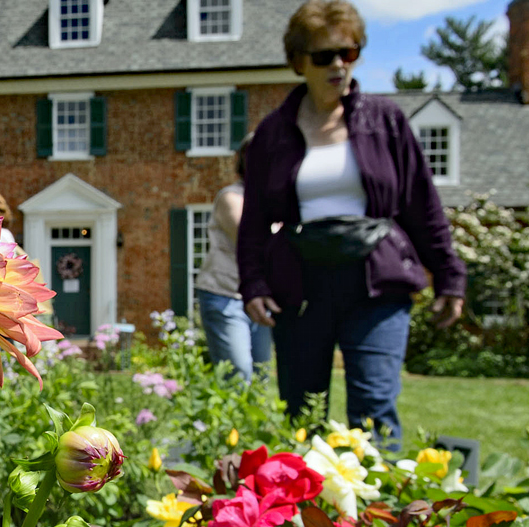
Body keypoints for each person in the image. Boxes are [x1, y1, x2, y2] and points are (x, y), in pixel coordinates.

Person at [236, 0, 466, 450]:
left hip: (377, 283)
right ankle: (305, 518)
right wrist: (254, 284)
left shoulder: (387, 121)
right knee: (301, 413)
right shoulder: (272, 134)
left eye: (349, 52)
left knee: (374, 409)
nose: (339, 65)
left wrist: (450, 277)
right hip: (300, 288)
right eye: (325, 56)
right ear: (300, 62)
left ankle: (384, 518)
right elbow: (256, 221)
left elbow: (423, 205)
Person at [195, 136, 273, 383]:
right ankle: (229, 423)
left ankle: (251, 423)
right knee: (238, 374)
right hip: (224, 295)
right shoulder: (231, 197)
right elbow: (249, 237)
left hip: (260, 298)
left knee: (260, 375)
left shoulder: (275, 201)